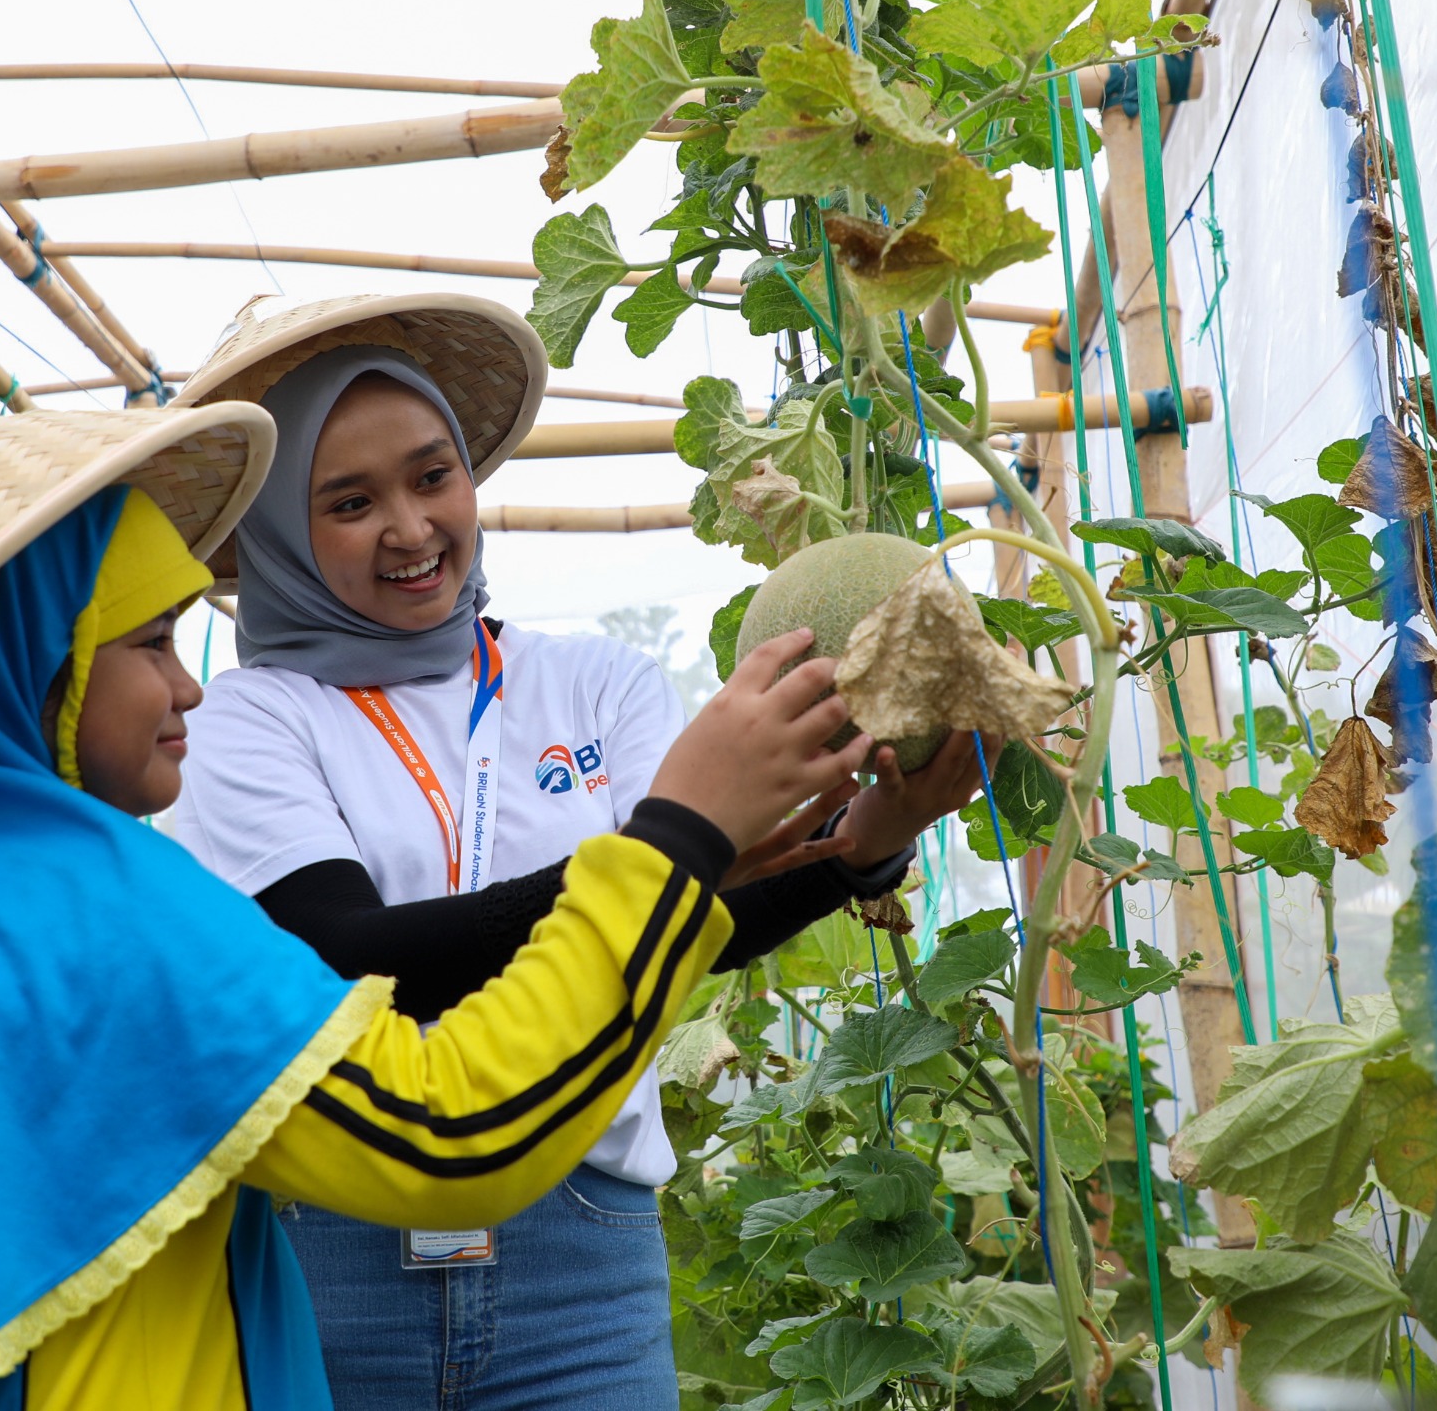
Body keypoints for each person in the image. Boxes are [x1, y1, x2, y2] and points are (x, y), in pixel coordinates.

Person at [0, 406, 872, 1411]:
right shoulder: (96, 910)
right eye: (148, 639)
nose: (188, 680)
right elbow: (450, 1131)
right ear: (30, 657)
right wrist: (675, 837)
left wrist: (827, 852)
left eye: (431, 473)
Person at [173, 295, 986, 1411]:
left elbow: (693, 927)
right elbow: (340, 954)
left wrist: (861, 852)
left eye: (431, 476)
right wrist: (669, 844)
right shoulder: (246, 718)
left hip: (582, 1251)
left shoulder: (594, 683)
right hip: (334, 1254)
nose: (410, 528)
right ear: (275, 532)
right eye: (348, 501)